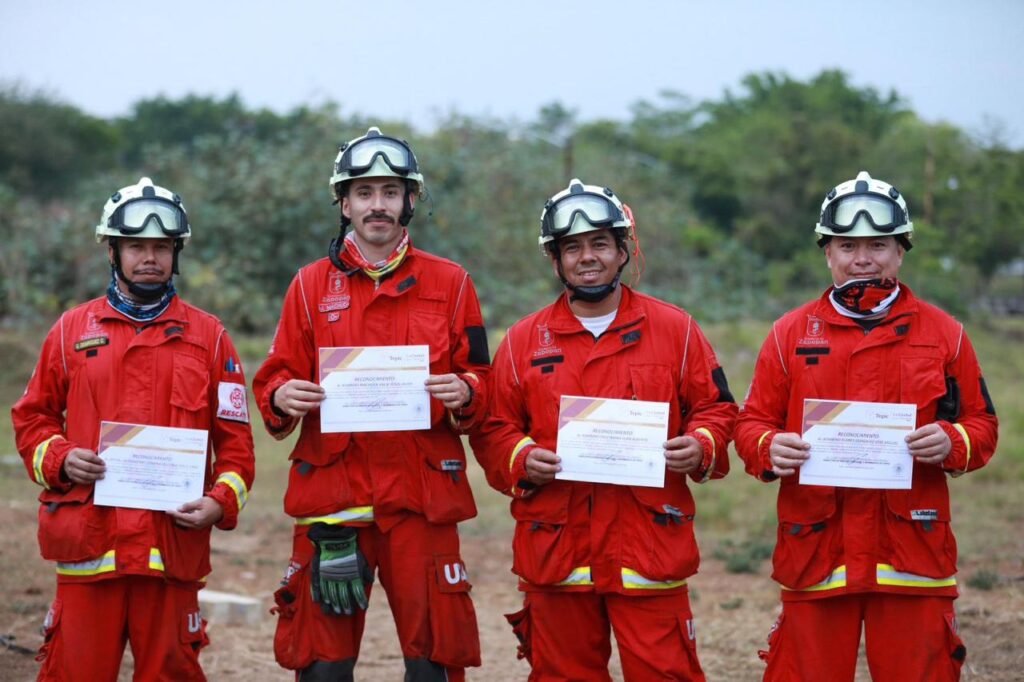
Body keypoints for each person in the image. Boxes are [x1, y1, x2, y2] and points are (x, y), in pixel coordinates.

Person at [735, 171, 999, 681]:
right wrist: (769, 447)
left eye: (878, 244)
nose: (863, 258)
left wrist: (953, 440)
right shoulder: (788, 334)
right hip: (817, 552)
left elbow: (983, 425)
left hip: (911, 555)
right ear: (827, 253)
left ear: (901, 251)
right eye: (848, 245)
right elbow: (751, 423)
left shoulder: (945, 334)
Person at [470, 179, 737, 681]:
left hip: (648, 547)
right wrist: (521, 458)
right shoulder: (523, 340)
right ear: (556, 260)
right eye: (572, 248)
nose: (587, 257)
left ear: (622, 251)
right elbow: (493, 427)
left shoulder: (675, 330)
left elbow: (718, 409)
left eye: (599, 244)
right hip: (558, 550)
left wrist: (700, 445)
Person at [253, 126, 490, 681]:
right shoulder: (309, 286)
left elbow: (482, 378)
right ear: (344, 203)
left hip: (421, 500)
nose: (377, 205)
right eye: (364, 193)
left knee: (434, 661)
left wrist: (467, 392)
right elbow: (276, 375)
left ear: (410, 199)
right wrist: (282, 395)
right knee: (322, 665)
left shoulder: (452, 283)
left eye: (390, 192)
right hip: (334, 501)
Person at [11, 177, 257, 681]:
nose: (150, 258)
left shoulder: (210, 338)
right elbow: (32, 419)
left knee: (171, 673)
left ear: (176, 254)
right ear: (113, 251)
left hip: (170, 552)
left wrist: (220, 502)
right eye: (136, 247)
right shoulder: (70, 331)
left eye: (162, 247)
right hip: (90, 549)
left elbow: (237, 447)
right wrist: (60, 458)